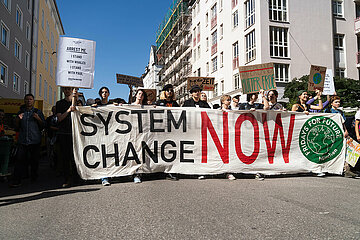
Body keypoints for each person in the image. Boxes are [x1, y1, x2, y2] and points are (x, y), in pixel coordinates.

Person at [10, 94, 45, 187]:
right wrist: (18, 119)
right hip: (23, 141)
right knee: (19, 160)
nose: (28, 101)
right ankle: (17, 180)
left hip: (35, 140)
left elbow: (43, 126)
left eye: (30, 99)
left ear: (33, 101)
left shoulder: (38, 112)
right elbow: (16, 127)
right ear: (24, 101)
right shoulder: (20, 112)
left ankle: (34, 178)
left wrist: (38, 118)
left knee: (34, 161)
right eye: (27, 99)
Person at [155, 84, 179, 181]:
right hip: (161, 130)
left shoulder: (175, 104)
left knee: (171, 151)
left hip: (172, 130)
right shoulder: (159, 102)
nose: (170, 92)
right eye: (168, 90)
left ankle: (170, 171)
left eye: (171, 90)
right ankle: (160, 170)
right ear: (164, 92)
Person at [56, 87, 78, 188]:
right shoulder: (59, 104)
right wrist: (68, 110)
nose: (67, 91)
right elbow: (59, 118)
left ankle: (77, 178)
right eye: (65, 89)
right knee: (65, 158)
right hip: (64, 133)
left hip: (76, 134)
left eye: (69, 89)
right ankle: (67, 178)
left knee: (76, 157)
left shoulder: (78, 102)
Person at [93, 87, 114, 186]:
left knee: (111, 155)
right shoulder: (97, 105)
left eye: (106, 92)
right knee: (103, 156)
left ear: (109, 94)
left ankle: (111, 175)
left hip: (111, 134)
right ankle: (104, 177)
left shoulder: (112, 105)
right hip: (100, 134)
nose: (104, 93)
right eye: (102, 92)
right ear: (100, 94)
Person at [131, 89, 148, 183]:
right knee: (134, 154)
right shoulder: (130, 106)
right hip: (133, 134)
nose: (140, 95)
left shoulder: (146, 107)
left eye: (142, 94)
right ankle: (134, 173)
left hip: (144, 134)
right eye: (139, 94)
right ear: (136, 95)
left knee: (141, 154)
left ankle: (138, 174)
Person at [220, 95, 236, 180]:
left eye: (230, 100)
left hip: (230, 134)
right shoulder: (217, 111)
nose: (229, 101)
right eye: (227, 100)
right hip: (221, 134)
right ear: (222, 101)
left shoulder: (232, 111)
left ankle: (229, 172)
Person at [46, 106, 58, 170]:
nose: (54, 111)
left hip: (57, 137)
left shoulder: (59, 118)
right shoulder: (49, 118)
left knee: (55, 152)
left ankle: (55, 164)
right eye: (53, 110)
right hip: (50, 136)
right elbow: (48, 126)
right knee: (50, 152)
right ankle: (51, 163)